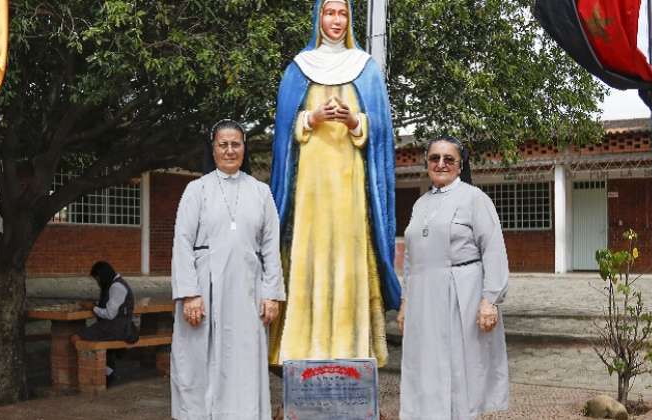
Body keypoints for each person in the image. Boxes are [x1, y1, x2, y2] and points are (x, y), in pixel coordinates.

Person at [269, 0, 400, 367]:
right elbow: (283, 136)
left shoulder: (366, 69)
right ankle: (302, 348)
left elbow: (382, 133)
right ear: (318, 17)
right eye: (330, 12)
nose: (337, 20)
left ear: (350, 19)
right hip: (310, 189)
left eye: (343, 13)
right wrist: (310, 118)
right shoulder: (298, 69)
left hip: (350, 187)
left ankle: (350, 350)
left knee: (348, 257)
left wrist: (355, 121)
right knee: (309, 255)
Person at [170, 119, 285, 420]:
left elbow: (271, 247)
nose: (230, 150)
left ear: (244, 148)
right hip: (204, 291)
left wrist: (272, 294)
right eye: (224, 144)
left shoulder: (261, 192)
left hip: (248, 290)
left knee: (243, 359)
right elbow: (181, 242)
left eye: (236, 144)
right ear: (214, 148)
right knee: (199, 362)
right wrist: (190, 294)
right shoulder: (196, 190)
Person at [398, 136, 509, 419]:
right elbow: (412, 257)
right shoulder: (420, 204)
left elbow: (494, 249)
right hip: (423, 297)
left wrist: (490, 300)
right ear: (427, 164)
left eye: (449, 159)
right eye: (435, 158)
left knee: (459, 369)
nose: (441, 164)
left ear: (460, 165)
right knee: (423, 366)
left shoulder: (475, 198)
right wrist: (405, 301)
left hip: (462, 292)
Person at [72, 261, 139, 383]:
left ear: (102, 276)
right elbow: (112, 306)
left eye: (97, 278)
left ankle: (102, 373)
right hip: (118, 326)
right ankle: (107, 372)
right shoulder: (116, 285)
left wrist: (92, 308)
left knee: (76, 338)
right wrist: (95, 305)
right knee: (91, 338)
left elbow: (109, 314)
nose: (97, 282)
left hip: (116, 328)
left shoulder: (116, 287)